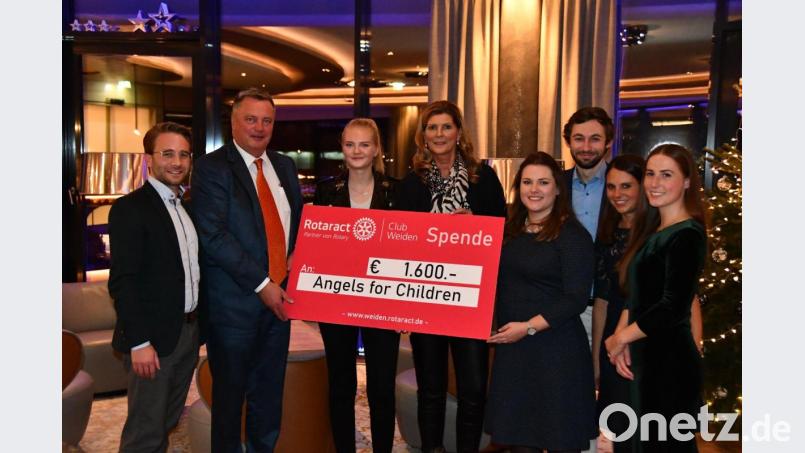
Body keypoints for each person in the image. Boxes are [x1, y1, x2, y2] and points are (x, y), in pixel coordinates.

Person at [191, 88, 303, 452]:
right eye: (250, 119)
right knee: (229, 403)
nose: (259, 127)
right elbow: (214, 236)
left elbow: (296, 223)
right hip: (233, 309)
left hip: (279, 305)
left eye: (266, 120)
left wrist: (296, 255)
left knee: (269, 398)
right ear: (234, 122)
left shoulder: (284, 165)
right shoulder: (211, 168)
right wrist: (262, 283)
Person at [396, 100, 506, 453]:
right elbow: (401, 241)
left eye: (446, 127)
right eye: (432, 127)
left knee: (474, 388)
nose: (439, 134)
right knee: (430, 387)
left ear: (459, 133)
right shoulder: (411, 183)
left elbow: (503, 232)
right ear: (423, 136)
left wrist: (474, 224)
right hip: (426, 298)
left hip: (471, 297)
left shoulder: (484, 177)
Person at [485, 151, 597, 453]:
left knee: (560, 439)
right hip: (515, 353)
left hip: (555, 353)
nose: (534, 189)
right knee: (520, 440)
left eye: (543, 182)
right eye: (527, 182)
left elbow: (575, 299)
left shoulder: (572, 236)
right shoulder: (510, 231)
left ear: (558, 188)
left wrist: (528, 328)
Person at [605, 144, 708, 453]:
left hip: (669, 363)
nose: (654, 183)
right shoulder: (652, 229)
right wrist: (620, 339)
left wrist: (621, 337)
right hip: (645, 356)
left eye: (666, 175)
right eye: (650, 174)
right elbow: (636, 295)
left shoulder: (687, 234)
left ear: (687, 181)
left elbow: (672, 307)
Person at [108, 122, 204, 452]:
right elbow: (123, 281)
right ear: (149, 158)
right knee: (145, 432)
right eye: (167, 154)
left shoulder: (187, 208)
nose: (176, 162)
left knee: (166, 421)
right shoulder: (129, 208)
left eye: (183, 155)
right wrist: (139, 342)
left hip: (188, 333)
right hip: (152, 340)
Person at [313, 118, 400, 453]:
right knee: (341, 386)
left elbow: (410, 249)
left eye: (364, 144)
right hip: (337, 302)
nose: (357, 151)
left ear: (376, 148)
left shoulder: (397, 191)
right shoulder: (326, 191)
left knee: (381, 387)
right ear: (342, 148)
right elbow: (319, 247)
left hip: (384, 303)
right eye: (350, 144)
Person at [562, 107, 615, 345]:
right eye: (578, 139)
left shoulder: (623, 187)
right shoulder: (554, 185)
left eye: (595, 139)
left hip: (609, 304)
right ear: (568, 142)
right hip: (564, 306)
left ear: (608, 142)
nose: (585, 147)